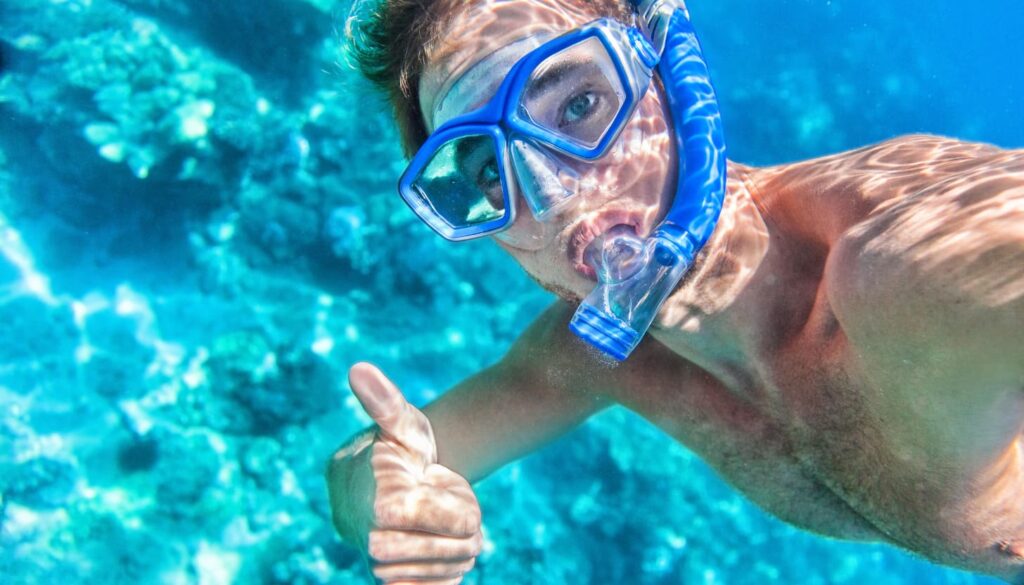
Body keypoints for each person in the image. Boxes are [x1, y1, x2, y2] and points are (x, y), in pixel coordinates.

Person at [326, 0, 1024, 583]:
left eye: (578, 104)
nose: (552, 190)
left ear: (668, 66)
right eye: (484, 172)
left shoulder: (901, 271)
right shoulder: (599, 352)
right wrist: (387, 497)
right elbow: (375, 466)